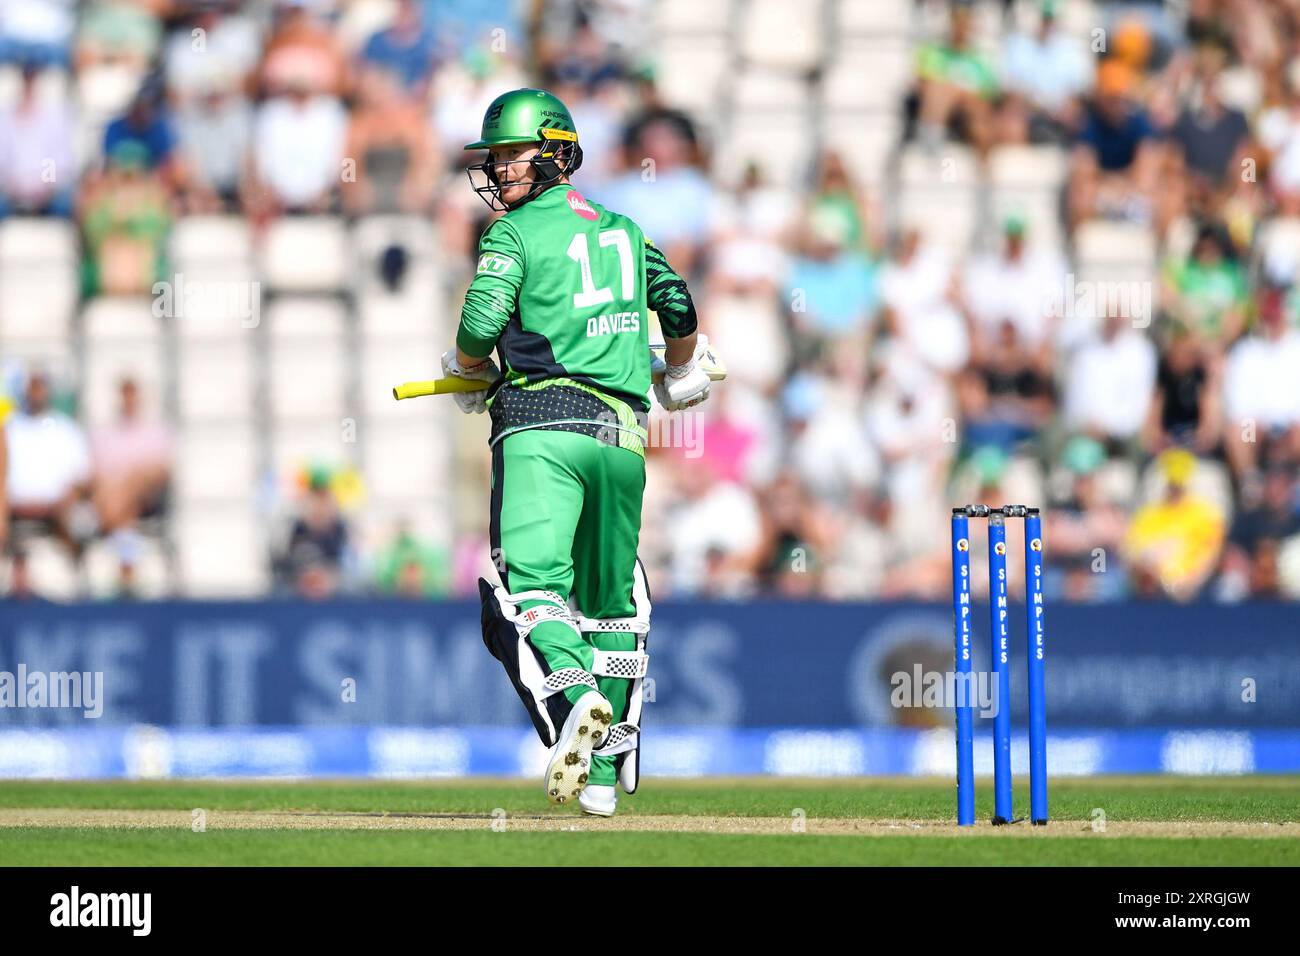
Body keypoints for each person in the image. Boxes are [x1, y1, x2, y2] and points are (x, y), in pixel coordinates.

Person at [447, 88, 708, 816]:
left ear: (557, 153)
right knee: (611, 604)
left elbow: (480, 322)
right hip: (622, 437)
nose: (498, 171)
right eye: (493, 158)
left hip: (540, 428)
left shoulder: (514, 233)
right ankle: (603, 772)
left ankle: (578, 692)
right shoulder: (625, 229)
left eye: (510, 155)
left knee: (527, 591)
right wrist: (681, 368)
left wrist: (469, 368)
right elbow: (678, 302)